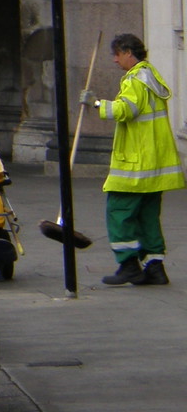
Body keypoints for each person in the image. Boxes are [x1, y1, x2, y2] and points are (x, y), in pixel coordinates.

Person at [81, 33, 186, 285]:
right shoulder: (151, 77)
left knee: (119, 212)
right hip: (154, 165)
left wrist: (95, 103)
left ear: (129, 53)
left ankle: (128, 265)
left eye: (117, 54)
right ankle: (155, 268)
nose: (115, 60)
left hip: (135, 165)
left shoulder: (135, 80)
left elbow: (125, 110)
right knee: (148, 217)